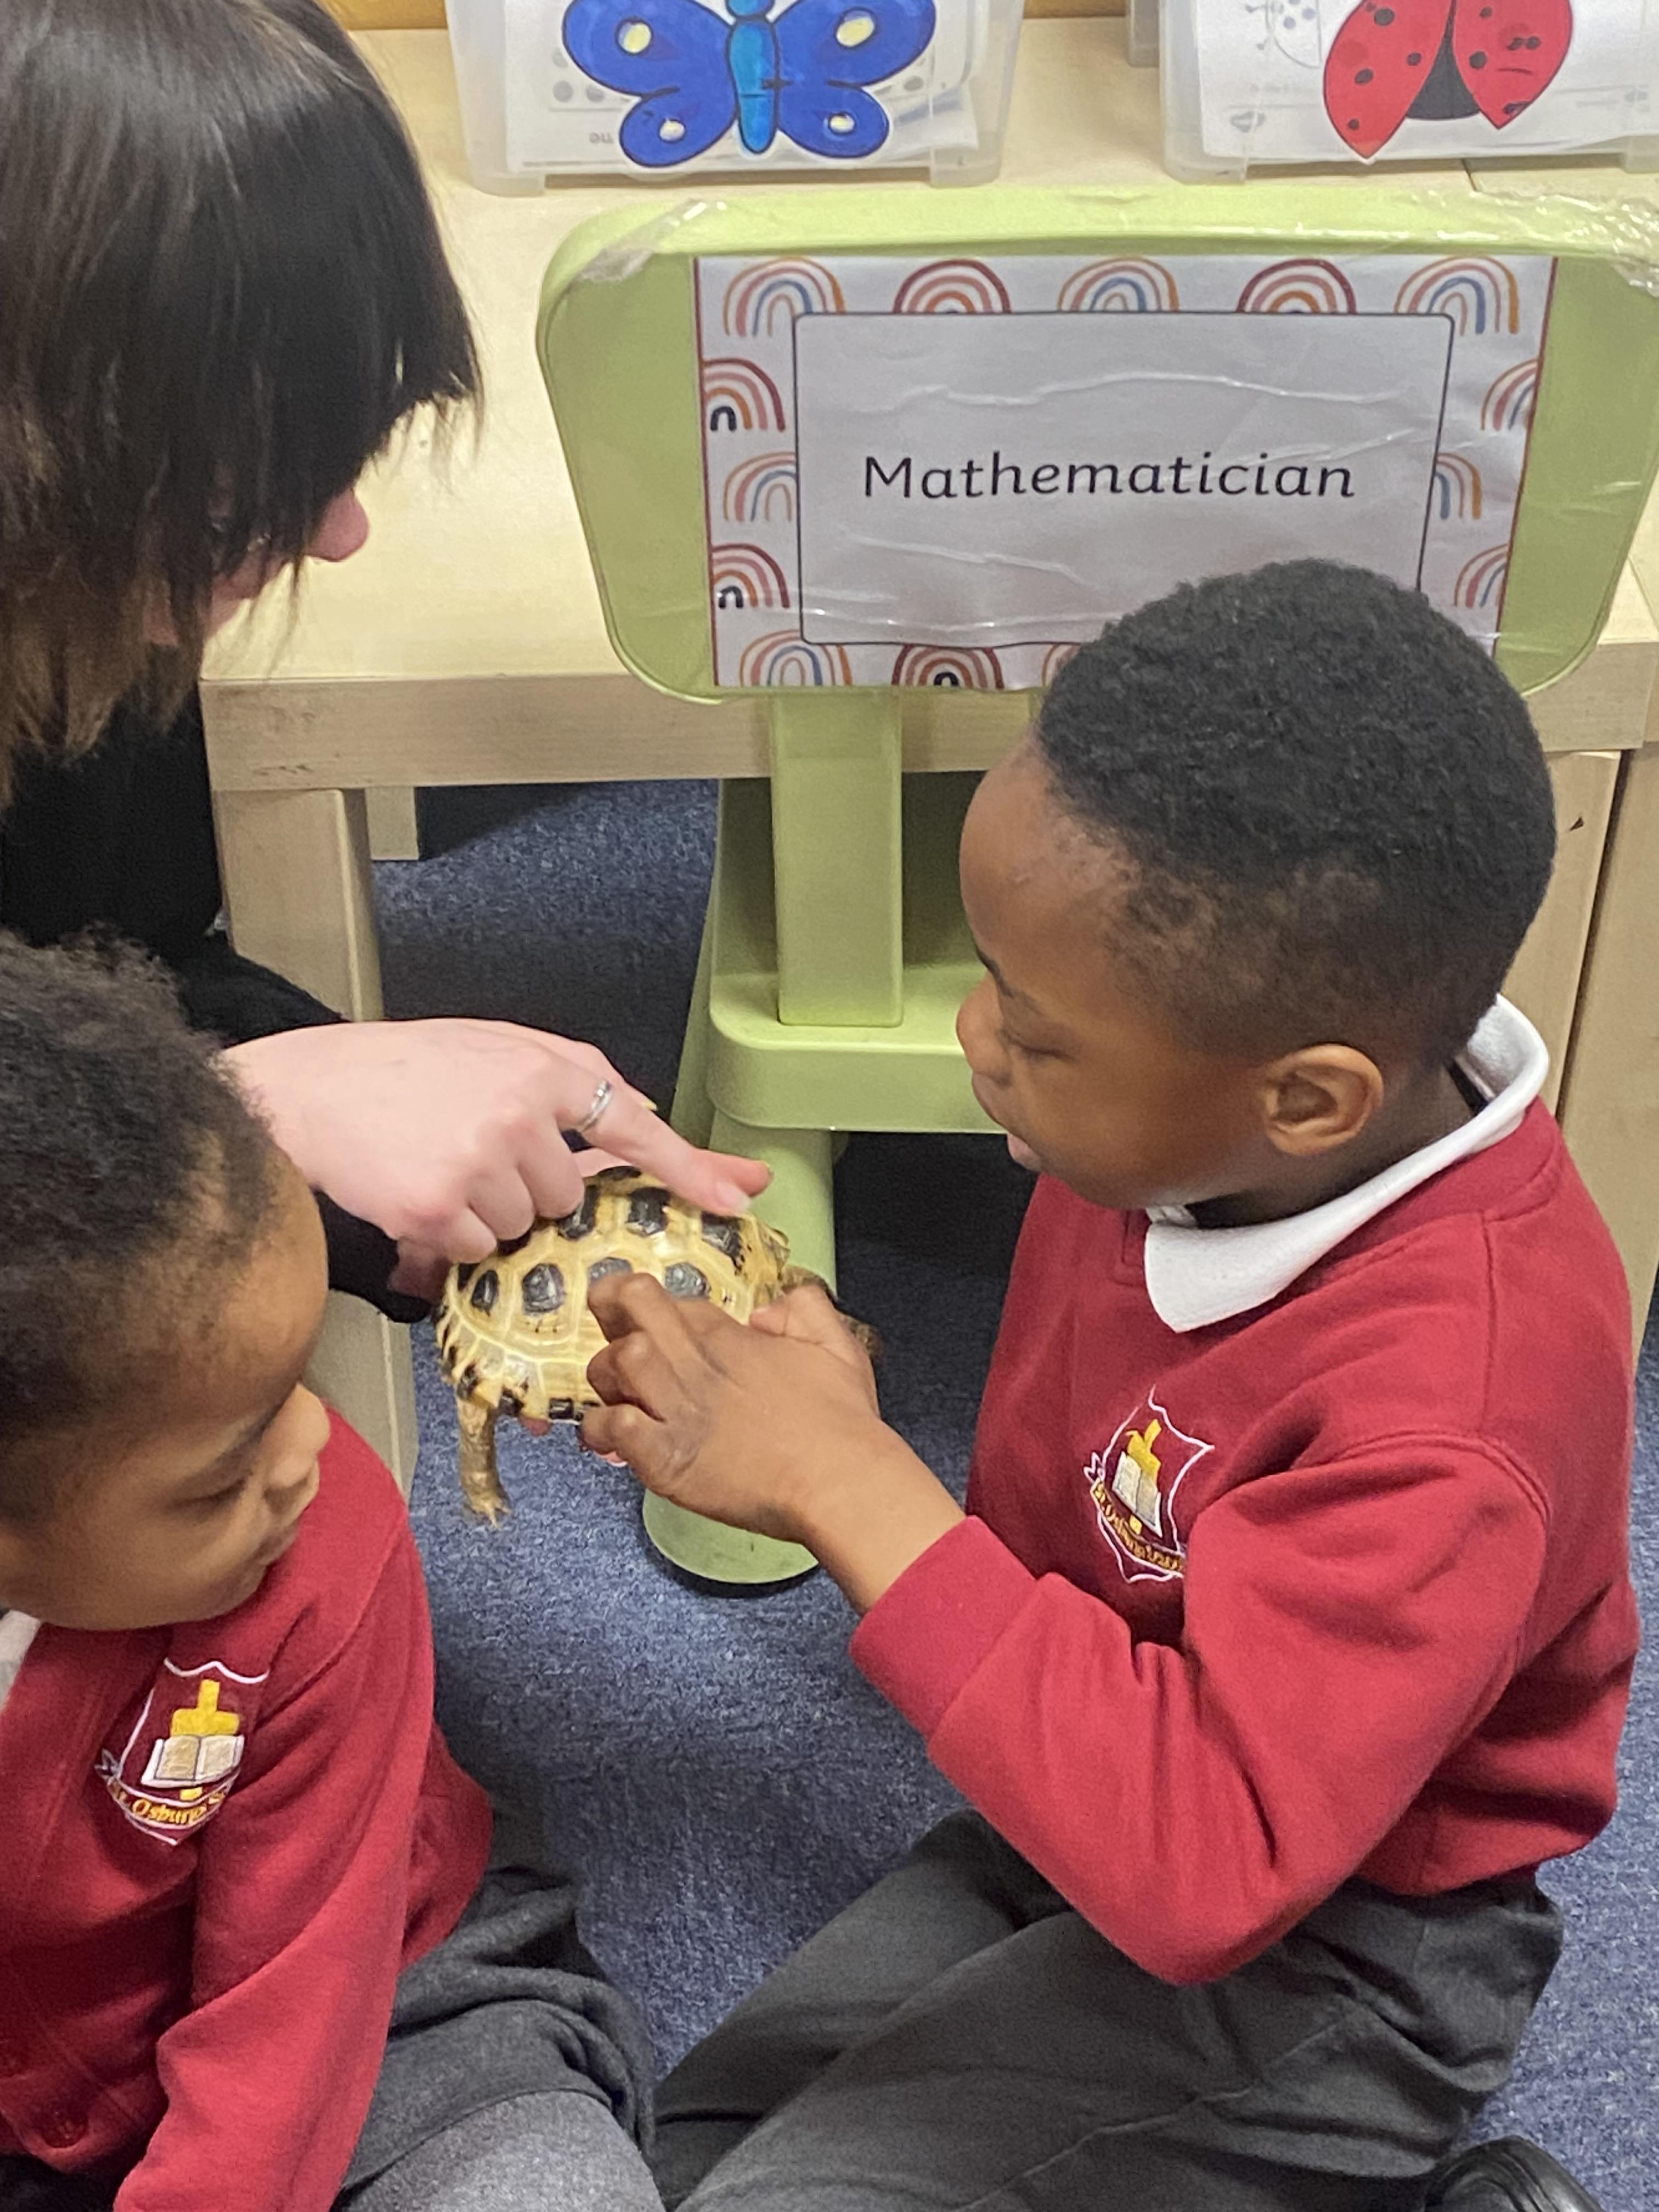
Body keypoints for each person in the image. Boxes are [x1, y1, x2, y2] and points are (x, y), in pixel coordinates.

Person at [578, 563, 1637, 2212]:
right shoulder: (1197, 1134)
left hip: (1342, 1952)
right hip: (1079, 1811)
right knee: (687, 2157)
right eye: (991, 974)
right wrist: (837, 1424)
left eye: (1038, 1029)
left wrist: (850, 1485)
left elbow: (1213, 1867)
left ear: (1307, 1100)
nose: (978, 1039)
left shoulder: (1453, 1412)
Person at [0, 0, 765, 1322]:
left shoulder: (88, 630)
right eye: (232, 493)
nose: (336, 534)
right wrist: (238, 1103)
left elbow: (115, 963)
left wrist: (367, 1140)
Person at [0, 936, 667, 2212]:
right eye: (219, 1473)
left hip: (374, 2016)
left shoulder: (320, 1556)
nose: (313, 1450)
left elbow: (288, 2030)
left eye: (295, 1382)